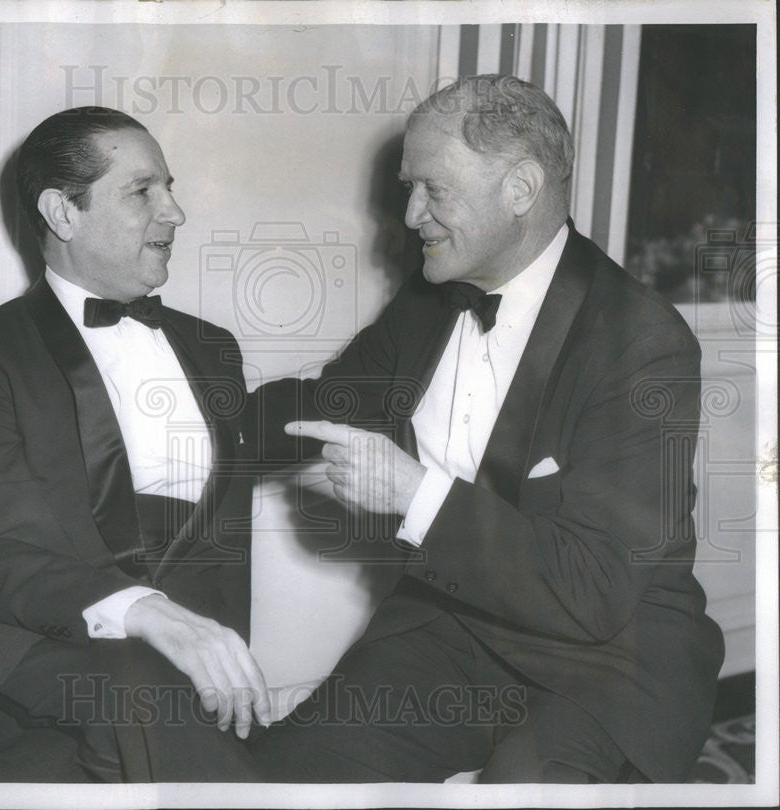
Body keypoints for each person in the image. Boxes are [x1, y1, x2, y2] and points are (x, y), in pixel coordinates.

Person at [247, 74, 724, 783]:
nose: (410, 216)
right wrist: (173, 414)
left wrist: (413, 492)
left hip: (602, 666)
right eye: (409, 187)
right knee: (278, 780)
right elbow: (330, 405)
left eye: (433, 190)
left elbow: (591, 590)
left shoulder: (639, 342)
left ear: (521, 190)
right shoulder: (434, 295)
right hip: (448, 632)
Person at [0, 107, 269, 782]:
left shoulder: (213, 350)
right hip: (21, 664)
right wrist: (149, 615)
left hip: (177, 689)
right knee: (133, 697)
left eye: (171, 186)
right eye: (143, 192)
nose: (176, 213)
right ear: (63, 213)